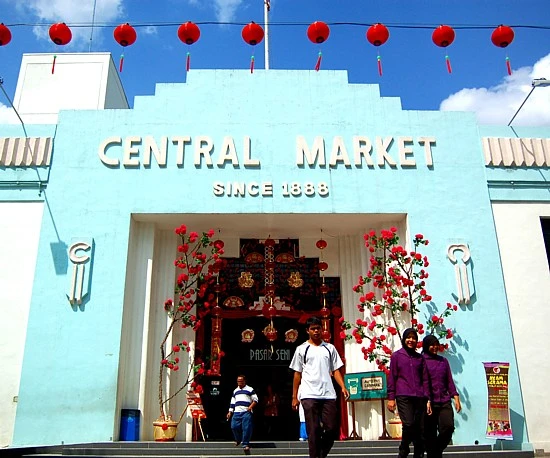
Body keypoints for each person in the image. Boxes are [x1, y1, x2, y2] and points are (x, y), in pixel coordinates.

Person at [290, 316, 350, 458]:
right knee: (313, 429)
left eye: (318, 328)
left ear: (322, 330)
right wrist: (294, 397)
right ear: (307, 331)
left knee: (331, 428)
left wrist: (342, 386)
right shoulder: (301, 349)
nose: (316, 331)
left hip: (328, 394)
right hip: (308, 394)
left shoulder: (329, 348)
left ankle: (320, 455)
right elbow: (297, 374)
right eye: (313, 329)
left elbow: (335, 370)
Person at [387, 328, 430, 458]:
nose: (411, 340)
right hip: (403, 396)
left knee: (419, 428)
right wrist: (391, 398)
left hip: (419, 397)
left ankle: (418, 453)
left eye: (414, 338)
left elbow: (425, 379)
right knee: (409, 424)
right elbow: (392, 377)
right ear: (404, 339)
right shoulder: (396, 356)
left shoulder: (420, 358)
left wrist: (428, 399)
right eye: (408, 337)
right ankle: (404, 448)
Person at [422, 335, 461, 458]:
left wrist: (455, 397)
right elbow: (421, 382)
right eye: (432, 345)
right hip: (429, 402)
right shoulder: (421, 360)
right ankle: (433, 454)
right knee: (430, 432)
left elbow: (449, 380)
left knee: (448, 427)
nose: (434, 347)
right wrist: (426, 399)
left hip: (444, 400)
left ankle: (435, 451)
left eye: (436, 344)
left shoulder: (443, 361)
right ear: (426, 346)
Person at [226, 375, 258, 452]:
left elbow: (255, 399)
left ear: (244, 381)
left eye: (241, 381)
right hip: (237, 412)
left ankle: (245, 444)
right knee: (234, 426)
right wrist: (230, 412)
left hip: (246, 412)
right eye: (238, 381)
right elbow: (232, 402)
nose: (239, 382)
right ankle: (238, 439)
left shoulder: (250, 389)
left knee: (246, 428)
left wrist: (250, 407)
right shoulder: (235, 391)